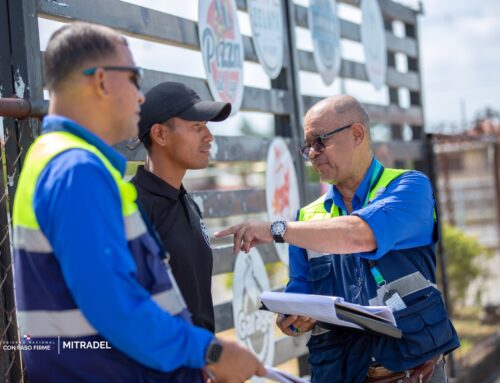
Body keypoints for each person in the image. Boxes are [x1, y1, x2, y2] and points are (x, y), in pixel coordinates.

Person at [12, 22, 265, 383]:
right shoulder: (77, 169)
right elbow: (114, 305)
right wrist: (209, 352)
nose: (141, 96)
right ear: (101, 81)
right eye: (134, 77)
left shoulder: (63, 160)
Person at [216, 95, 460, 382]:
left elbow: (360, 234)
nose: (313, 153)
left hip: (412, 372)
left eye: (320, 140)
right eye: (308, 146)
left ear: (357, 134)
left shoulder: (409, 187)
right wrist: (292, 321)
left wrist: (275, 229)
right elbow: (300, 294)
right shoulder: (306, 218)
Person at [130, 81, 231, 333]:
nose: (209, 136)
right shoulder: (131, 209)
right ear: (160, 134)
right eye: (197, 126)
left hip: (196, 366)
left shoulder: (188, 203)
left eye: (206, 127)